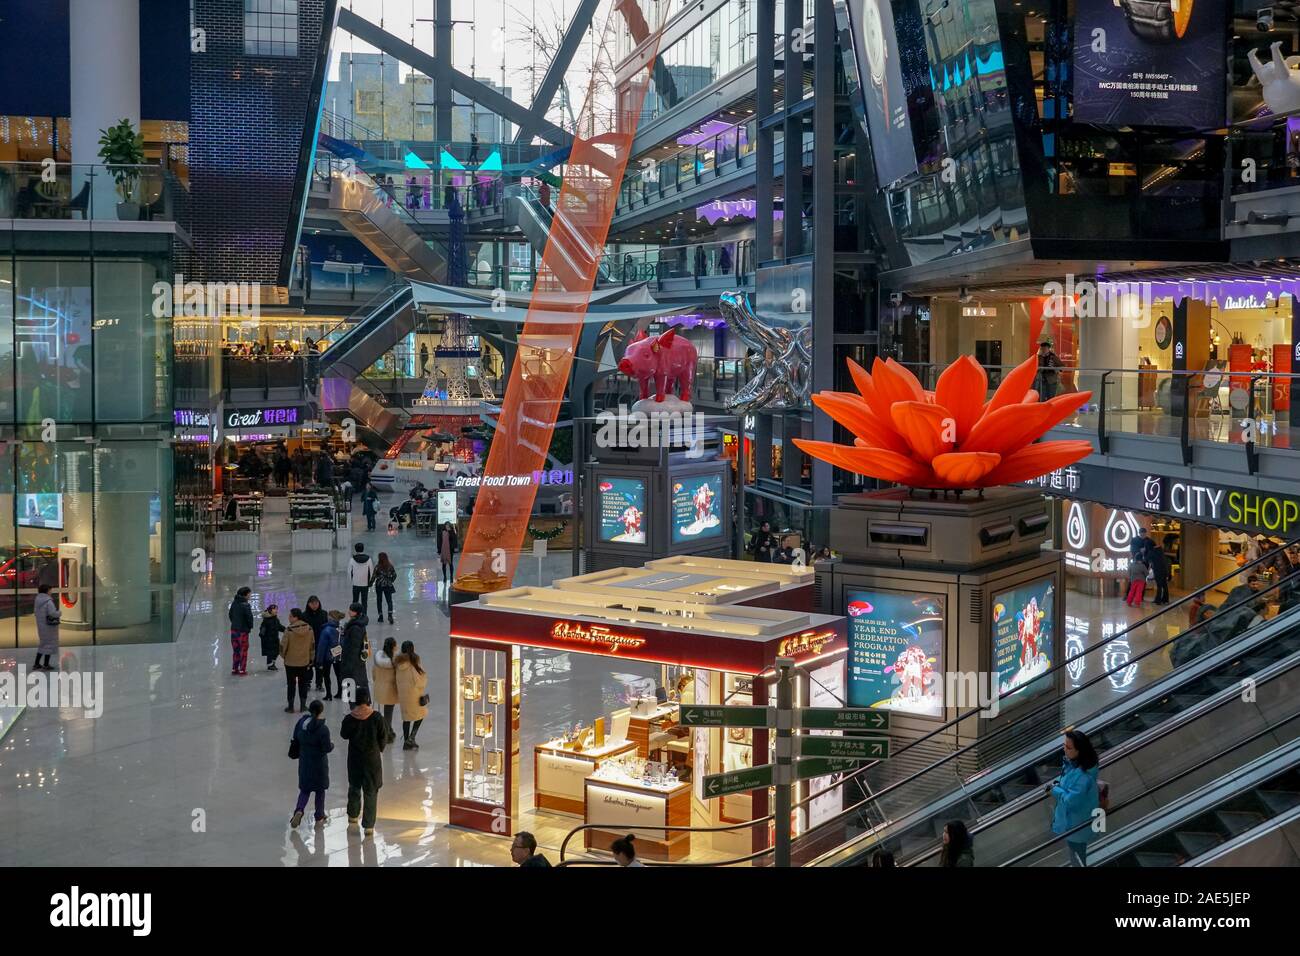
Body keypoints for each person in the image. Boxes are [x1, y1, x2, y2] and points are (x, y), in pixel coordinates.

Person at [1047, 729, 1101, 867]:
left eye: (1069, 747)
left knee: (1077, 859)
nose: (1064, 749)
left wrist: (1054, 790)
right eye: (1064, 745)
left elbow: (1071, 800)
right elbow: (1066, 782)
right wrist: (1058, 785)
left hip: (1076, 825)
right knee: (1076, 856)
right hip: (1074, 823)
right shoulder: (1074, 765)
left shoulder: (1083, 776)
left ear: (1080, 751)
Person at [339, 687, 387, 836]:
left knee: (354, 787)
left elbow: (344, 735)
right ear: (368, 700)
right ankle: (368, 826)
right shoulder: (377, 717)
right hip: (372, 759)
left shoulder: (349, 718)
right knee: (371, 791)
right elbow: (383, 737)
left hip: (355, 759)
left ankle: (353, 815)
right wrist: (379, 748)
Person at [290, 699, 333, 828]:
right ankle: (319, 815)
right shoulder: (323, 729)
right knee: (320, 790)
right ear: (321, 711)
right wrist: (332, 745)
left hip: (305, 762)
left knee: (305, 790)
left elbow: (295, 738)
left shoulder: (301, 723)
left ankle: (299, 810)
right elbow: (326, 748)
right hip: (319, 764)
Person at [394, 641, 428, 750]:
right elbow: (418, 680)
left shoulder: (398, 663)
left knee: (406, 718)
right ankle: (411, 738)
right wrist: (423, 683)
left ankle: (406, 742)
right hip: (414, 694)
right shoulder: (413, 662)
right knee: (421, 715)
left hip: (403, 695)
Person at [281, 608, 316, 713]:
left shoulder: (289, 630)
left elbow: (283, 646)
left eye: (290, 616)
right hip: (304, 662)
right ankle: (303, 705)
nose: (289, 617)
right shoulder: (309, 629)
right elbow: (312, 646)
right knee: (303, 684)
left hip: (290, 662)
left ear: (296, 617)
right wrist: (311, 658)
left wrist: (284, 656)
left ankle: (291, 707)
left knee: (291, 684)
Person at [339, 603, 371, 698]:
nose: (349, 611)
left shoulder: (355, 627)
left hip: (352, 662)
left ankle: (352, 706)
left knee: (351, 682)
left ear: (356, 612)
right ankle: (358, 704)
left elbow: (354, 647)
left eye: (351, 610)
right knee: (358, 682)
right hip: (356, 661)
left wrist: (349, 665)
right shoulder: (357, 623)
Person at [372, 637, 399, 744]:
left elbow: (373, 674)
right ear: (393, 647)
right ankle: (386, 733)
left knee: (386, 711)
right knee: (389, 712)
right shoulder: (393, 663)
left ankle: (389, 729)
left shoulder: (378, 659)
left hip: (379, 688)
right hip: (390, 690)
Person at [316, 609, 345, 701]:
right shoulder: (341, 629)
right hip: (338, 655)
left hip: (327, 656)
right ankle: (340, 692)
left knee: (326, 675)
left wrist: (319, 661)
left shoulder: (326, 630)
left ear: (330, 618)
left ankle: (328, 694)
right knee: (339, 674)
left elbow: (321, 646)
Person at [302, 596, 329, 690]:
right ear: (308, 604)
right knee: (308, 665)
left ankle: (319, 683)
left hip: (321, 644)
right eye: (312, 603)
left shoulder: (324, 614)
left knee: (320, 665)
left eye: (316, 603)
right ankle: (308, 683)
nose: (314, 605)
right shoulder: (304, 616)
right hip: (308, 644)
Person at [228, 586, 255, 676]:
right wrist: (250, 627)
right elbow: (249, 618)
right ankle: (242, 670)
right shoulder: (245, 605)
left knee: (236, 650)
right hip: (243, 631)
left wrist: (235, 623)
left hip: (234, 630)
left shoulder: (234, 603)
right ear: (246, 595)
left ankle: (234, 669)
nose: (250, 596)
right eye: (249, 594)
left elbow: (230, 615)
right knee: (243, 650)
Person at [33, 584, 60, 671]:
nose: (51, 591)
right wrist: (59, 613)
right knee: (49, 645)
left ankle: (37, 663)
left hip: (41, 625)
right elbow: (52, 613)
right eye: (50, 590)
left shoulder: (37, 600)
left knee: (43, 644)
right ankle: (46, 664)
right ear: (47, 591)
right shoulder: (48, 601)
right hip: (49, 627)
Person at [259, 603, 286, 671]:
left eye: (276, 609)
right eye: (274, 609)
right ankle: (270, 665)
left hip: (275, 639)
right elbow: (262, 630)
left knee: (277, 652)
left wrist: (286, 629)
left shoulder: (276, 619)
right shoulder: (266, 620)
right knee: (270, 653)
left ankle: (273, 663)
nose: (276, 610)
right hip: (269, 641)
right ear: (270, 610)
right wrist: (263, 636)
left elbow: (279, 626)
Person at [349, 542, 374, 614]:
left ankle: (354, 615)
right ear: (363, 549)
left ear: (355, 549)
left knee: (355, 600)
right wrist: (370, 582)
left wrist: (352, 581)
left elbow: (349, 571)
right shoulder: (368, 559)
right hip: (365, 584)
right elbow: (371, 571)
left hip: (356, 583)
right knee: (364, 601)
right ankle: (364, 615)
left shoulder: (352, 559)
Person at [374, 551, 397, 624]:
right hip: (387, 585)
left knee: (379, 601)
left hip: (379, 585)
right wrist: (391, 581)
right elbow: (395, 575)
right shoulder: (390, 566)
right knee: (389, 601)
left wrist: (369, 584)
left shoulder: (377, 567)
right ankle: (390, 615)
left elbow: (373, 577)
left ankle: (380, 617)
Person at [438, 521, 458, 587]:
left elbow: (454, 539)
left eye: (448, 526)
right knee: (444, 564)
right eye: (446, 526)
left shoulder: (452, 532)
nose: (447, 527)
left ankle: (451, 577)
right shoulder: (442, 532)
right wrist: (439, 550)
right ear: (444, 526)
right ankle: (445, 577)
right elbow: (439, 541)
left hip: (450, 550)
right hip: (443, 550)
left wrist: (450, 532)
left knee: (450, 563)